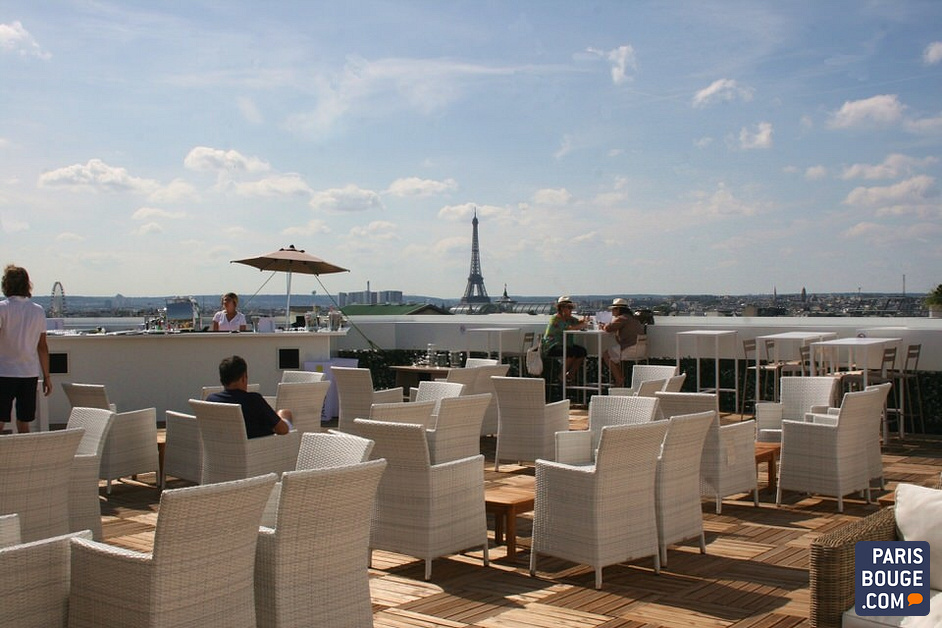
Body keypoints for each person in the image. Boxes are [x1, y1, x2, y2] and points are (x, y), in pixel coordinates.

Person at [0, 265, 51, 433]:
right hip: (28, 373)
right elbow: (42, 346)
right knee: (24, 422)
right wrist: (47, 376)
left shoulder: (3, 308)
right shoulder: (37, 311)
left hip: (4, 372)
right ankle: (25, 457)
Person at [205, 355, 292, 438]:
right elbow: (282, 430)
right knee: (285, 413)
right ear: (243, 378)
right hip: (258, 449)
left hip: (221, 450)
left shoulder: (211, 401)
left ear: (222, 380)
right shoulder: (253, 400)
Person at [541, 296, 589, 383]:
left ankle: (570, 374)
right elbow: (568, 328)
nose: (571, 310)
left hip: (564, 345)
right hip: (552, 346)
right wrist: (582, 325)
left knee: (582, 352)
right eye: (569, 307)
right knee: (571, 352)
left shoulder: (569, 318)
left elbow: (578, 322)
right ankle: (561, 375)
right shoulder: (555, 319)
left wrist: (584, 321)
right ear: (562, 308)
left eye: (571, 307)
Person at [601, 298, 645, 387]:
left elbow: (608, 328)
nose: (612, 312)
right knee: (613, 355)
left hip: (630, 348)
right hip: (640, 349)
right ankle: (620, 377)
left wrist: (603, 325)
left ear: (618, 309)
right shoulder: (633, 318)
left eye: (613, 309)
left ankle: (619, 379)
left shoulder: (622, 318)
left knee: (606, 354)